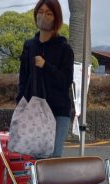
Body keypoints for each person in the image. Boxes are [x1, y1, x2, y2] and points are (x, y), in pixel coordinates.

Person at [17, 0, 74, 158]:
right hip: (34, 110)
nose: (43, 17)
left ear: (56, 18)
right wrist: (20, 104)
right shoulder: (29, 46)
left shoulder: (64, 48)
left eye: (49, 13)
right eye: (40, 12)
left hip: (58, 111)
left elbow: (66, 81)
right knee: (36, 156)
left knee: (53, 158)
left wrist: (46, 66)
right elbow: (23, 79)